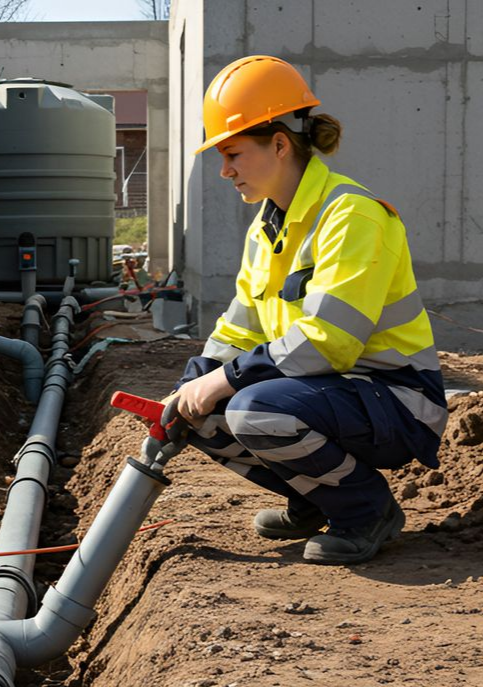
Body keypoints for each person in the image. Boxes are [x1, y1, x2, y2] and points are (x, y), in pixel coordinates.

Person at [171, 55, 447, 565]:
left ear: (278, 144)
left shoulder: (352, 215)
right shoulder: (267, 227)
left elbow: (330, 339)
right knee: (197, 411)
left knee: (251, 408)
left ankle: (365, 510)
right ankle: (316, 495)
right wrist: (202, 374)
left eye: (232, 153)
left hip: (398, 400)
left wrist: (226, 381)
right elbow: (241, 323)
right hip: (326, 392)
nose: (224, 170)